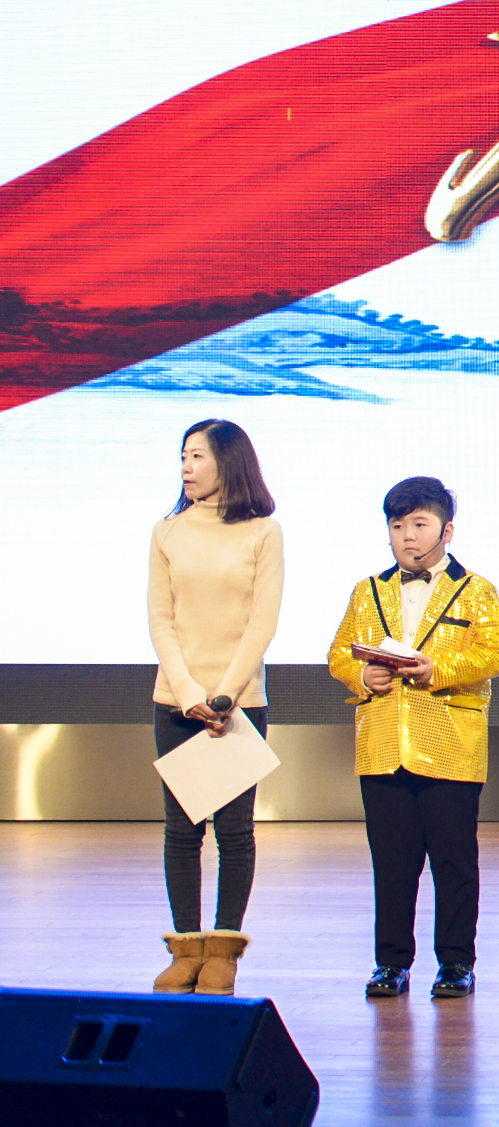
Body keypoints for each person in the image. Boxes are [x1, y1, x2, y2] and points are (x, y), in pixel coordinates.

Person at [326, 477, 499, 1000]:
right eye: (397, 525)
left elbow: (496, 654)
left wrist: (439, 669)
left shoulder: (476, 589)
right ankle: (391, 963)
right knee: (392, 863)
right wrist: (362, 676)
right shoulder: (367, 590)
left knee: (454, 862)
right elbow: (339, 653)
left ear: (447, 530)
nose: (407, 535)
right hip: (382, 746)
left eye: (419, 524)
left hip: (450, 745)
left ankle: (455, 962)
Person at [146, 419, 283, 994]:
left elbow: (262, 621)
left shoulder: (263, 532)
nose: (186, 466)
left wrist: (225, 695)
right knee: (181, 831)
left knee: (234, 832)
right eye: (183, 455)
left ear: (229, 461)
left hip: (238, 705)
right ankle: (186, 949)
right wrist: (188, 694)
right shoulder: (167, 531)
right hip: (175, 703)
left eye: (197, 455)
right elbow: (161, 619)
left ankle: (224, 951)